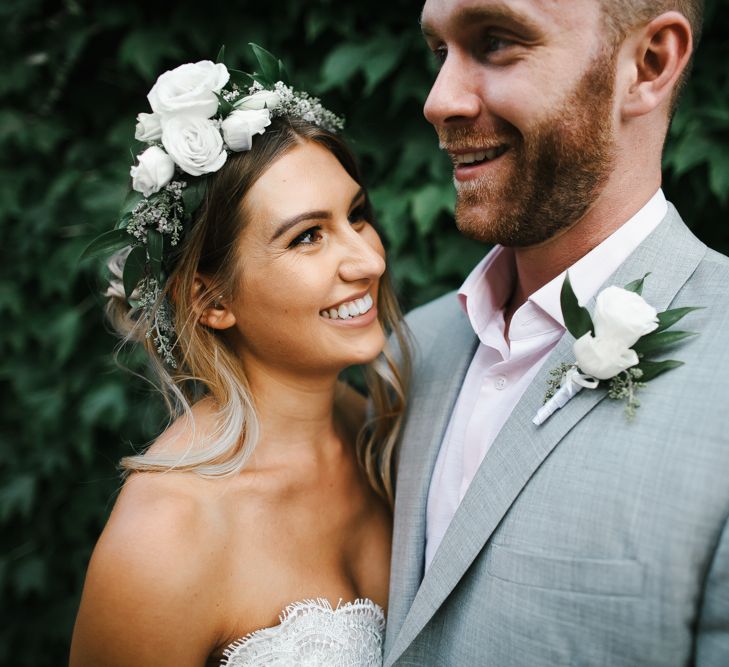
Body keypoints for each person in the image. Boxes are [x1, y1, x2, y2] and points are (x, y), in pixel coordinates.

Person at [385, 1, 729, 665]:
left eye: (496, 42)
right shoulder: (403, 353)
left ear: (648, 64)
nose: (438, 100)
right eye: (438, 51)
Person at [70, 50, 409, 667]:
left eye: (356, 216)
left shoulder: (385, 434)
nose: (369, 261)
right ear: (211, 298)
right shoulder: (167, 533)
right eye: (307, 236)